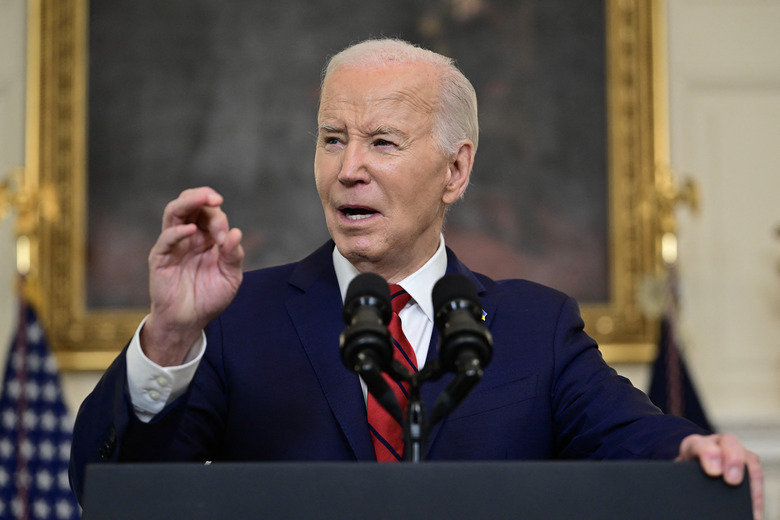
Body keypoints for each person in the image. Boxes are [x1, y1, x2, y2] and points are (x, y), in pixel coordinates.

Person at [69, 38, 764, 518]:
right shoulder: (237, 320)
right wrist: (167, 336)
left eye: (382, 142)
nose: (348, 170)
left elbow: (632, 438)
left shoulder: (535, 327)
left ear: (455, 171)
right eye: (333, 138)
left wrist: (690, 450)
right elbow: (115, 490)